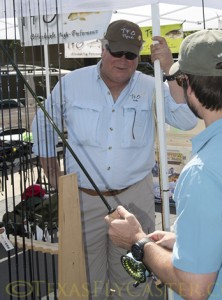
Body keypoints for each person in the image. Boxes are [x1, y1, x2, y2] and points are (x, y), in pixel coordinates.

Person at [32, 20, 197, 300]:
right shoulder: (72, 83)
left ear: (138, 56)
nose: (122, 60)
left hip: (135, 198)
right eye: (116, 52)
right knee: (86, 282)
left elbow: (186, 119)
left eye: (130, 55)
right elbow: (42, 129)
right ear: (103, 48)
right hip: (83, 201)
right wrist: (57, 183)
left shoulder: (151, 85)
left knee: (132, 281)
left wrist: (171, 70)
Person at [106, 29, 222, 300]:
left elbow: (194, 287)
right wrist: (185, 241)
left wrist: (137, 240)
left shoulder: (203, 172)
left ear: (190, 86)